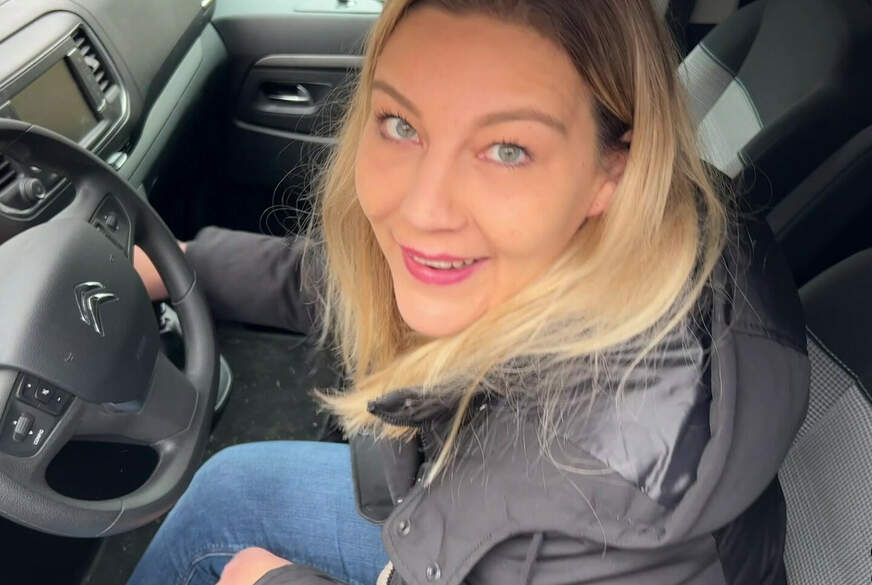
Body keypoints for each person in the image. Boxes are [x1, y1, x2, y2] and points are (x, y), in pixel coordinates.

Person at [128, 1, 809, 584]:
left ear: (612, 172)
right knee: (230, 490)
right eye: (401, 125)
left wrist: (268, 580)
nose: (422, 209)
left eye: (507, 149)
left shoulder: (606, 505)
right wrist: (184, 264)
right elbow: (367, 277)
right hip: (461, 502)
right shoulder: (630, 235)